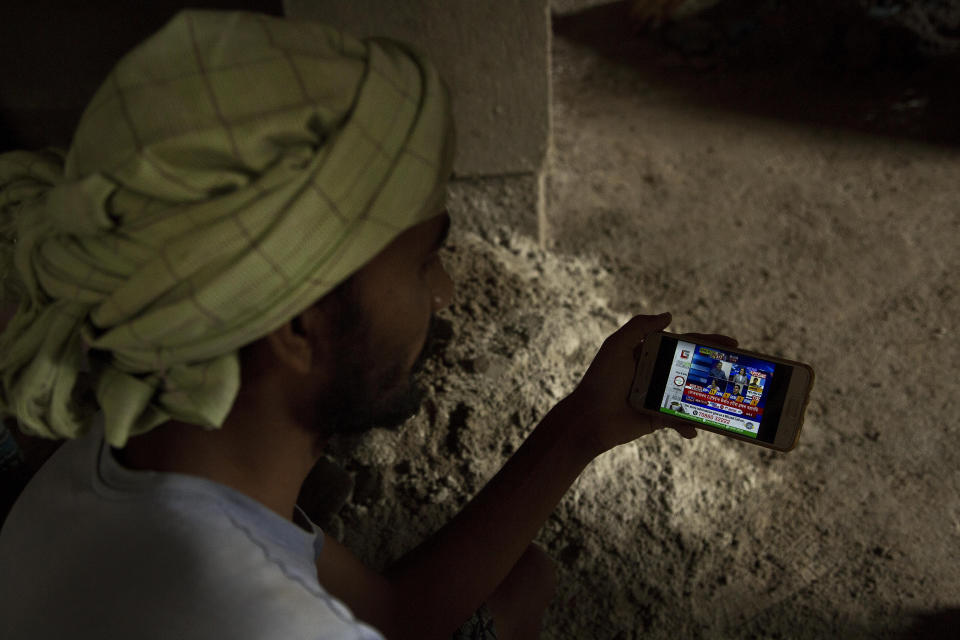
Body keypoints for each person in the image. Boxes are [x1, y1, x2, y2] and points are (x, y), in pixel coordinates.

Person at [0, 9, 733, 640]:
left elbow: (394, 612)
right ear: (297, 325)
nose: (444, 293)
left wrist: (581, 427)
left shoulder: (126, 455)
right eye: (425, 261)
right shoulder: (280, 624)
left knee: (519, 578)